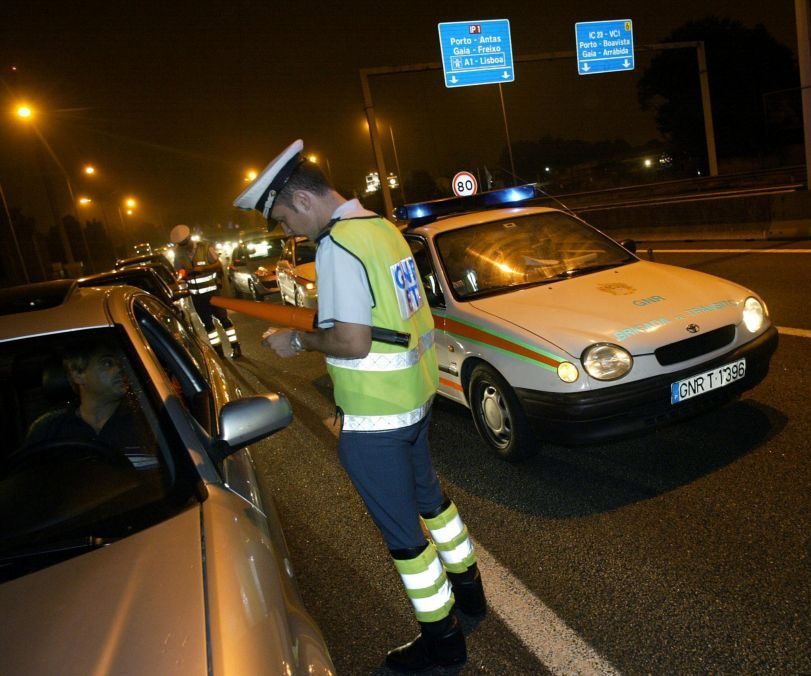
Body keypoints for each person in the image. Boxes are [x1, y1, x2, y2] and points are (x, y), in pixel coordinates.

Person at [234, 139, 486, 672]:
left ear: (301, 202)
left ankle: (443, 643)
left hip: (375, 417)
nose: (287, 233)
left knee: (405, 538)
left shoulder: (337, 245)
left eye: (282, 219)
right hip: (415, 401)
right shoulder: (382, 228)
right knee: (434, 505)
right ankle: (471, 595)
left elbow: (351, 341)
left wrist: (298, 342)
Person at [22, 338, 154, 464]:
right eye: (107, 363)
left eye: (122, 363)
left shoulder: (149, 421)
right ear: (77, 375)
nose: (121, 369)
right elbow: (27, 481)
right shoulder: (48, 429)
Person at [170, 224, 242, 358]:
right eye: (181, 245)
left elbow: (218, 265)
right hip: (197, 297)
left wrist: (204, 269)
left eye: (185, 243)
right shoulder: (178, 253)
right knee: (208, 325)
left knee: (224, 320)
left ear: (190, 238)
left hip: (212, 293)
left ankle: (235, 346)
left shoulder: (205, 247)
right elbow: (179, 272)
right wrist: (185, 274)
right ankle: (218, 351)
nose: (184, 247)